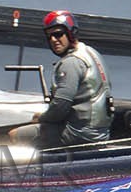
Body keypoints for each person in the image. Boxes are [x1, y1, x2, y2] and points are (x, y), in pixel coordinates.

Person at [11, 10, 111, 149]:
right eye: (49, 36)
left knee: (15, 135)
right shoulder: (91, 53)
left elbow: (60, 106)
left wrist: (40, 118)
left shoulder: (71, 63)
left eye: (58, 34)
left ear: (70, 33)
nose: (53, 39)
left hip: (78, 134)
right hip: (98, 133)